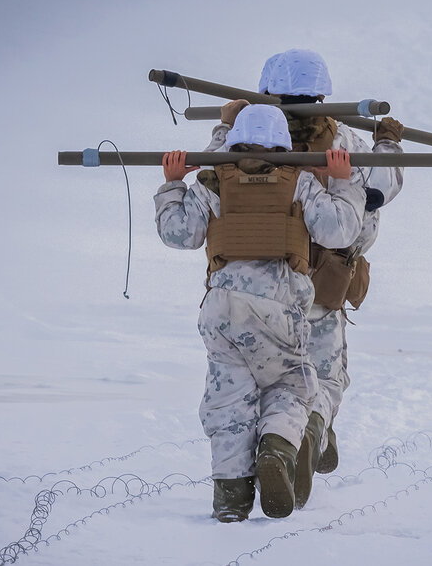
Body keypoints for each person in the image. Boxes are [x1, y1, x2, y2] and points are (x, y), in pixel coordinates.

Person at [205, 49, 404, 509]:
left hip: (254, 281)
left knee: (247, 390)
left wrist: (226, 124)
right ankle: (311, 431)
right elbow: (381, 188)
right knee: (323, 378)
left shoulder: (242, 143)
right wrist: (388, 146)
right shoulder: (348, 141)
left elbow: (210, 173)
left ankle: (243, 483)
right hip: (323, 281)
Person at [154, 104, 366, 522]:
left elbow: (178, 233)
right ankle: (276, 447)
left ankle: (231, 499)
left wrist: (172, 184)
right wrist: (343, 185)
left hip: (222, 308)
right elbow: (338, 230)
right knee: (291, 384)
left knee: (228, 400)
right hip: (278, 305)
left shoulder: (213, 180)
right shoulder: (300, 181)